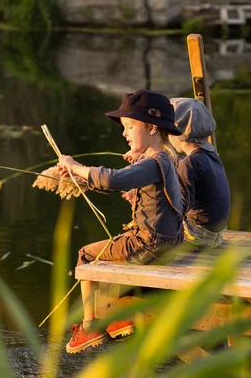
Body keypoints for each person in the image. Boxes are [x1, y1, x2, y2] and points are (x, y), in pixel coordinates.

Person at [57, 89, 184, 354]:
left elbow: (112, 180)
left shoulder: (154, 162)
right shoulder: (166, 160)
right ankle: (120, 318)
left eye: (129, 126)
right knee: (114, 248)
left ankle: (90, 326)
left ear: (151, 128)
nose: (124, 133)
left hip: (147, 244)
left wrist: (74, 165)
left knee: (87, 255)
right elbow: (124, 184)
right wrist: (85, 178)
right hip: (170, 243)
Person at [169, 98, 230, 250]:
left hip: (197, 235)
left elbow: (179, 206)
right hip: (215, 235)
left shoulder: (189, 164)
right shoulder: (208, 155)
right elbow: (180, 161)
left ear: (178, 132)